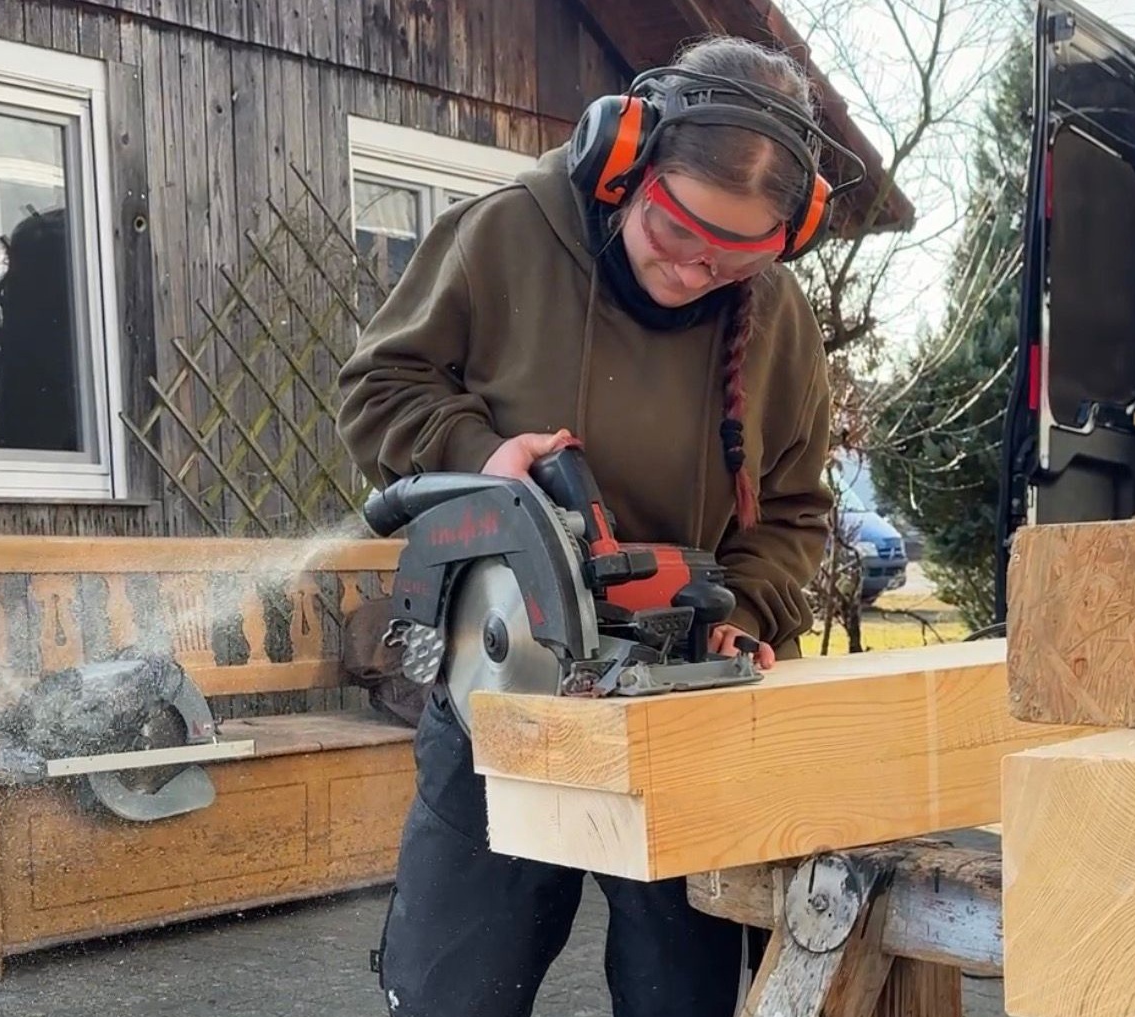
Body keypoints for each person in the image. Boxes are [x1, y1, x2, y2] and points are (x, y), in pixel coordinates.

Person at [336, 33, 864, 1017]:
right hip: (498, 684)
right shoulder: (508, 236)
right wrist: (475, 458)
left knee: (687, 993)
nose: (697, 269)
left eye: (736, 253)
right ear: (624, 164)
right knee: (455, 986)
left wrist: (744, 604)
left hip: (680, 702)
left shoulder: (777, 320)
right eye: (677, 231)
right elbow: (379, 388)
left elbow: (794, 510)